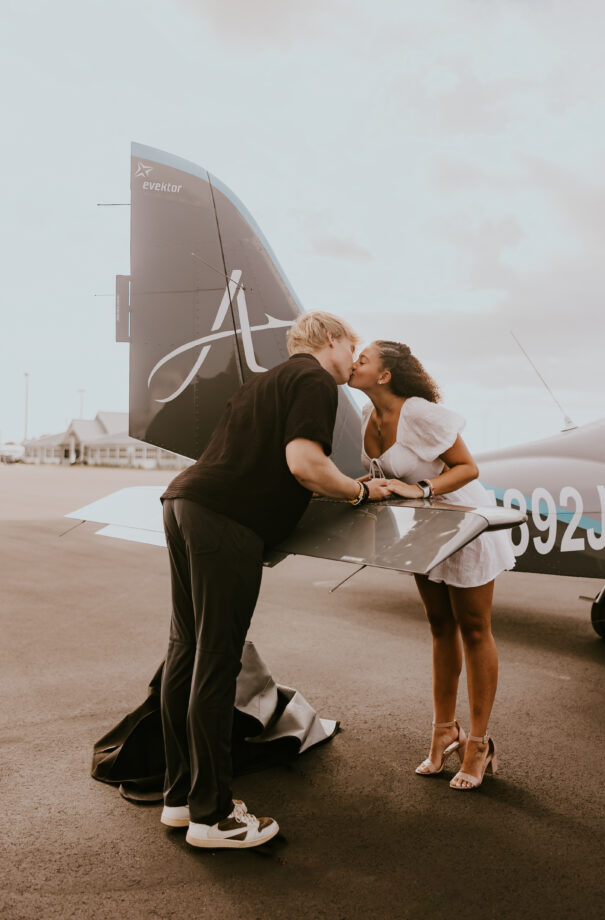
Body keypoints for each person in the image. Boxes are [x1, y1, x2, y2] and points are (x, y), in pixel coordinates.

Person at [159, 312, 391, 849]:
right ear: (330, 340)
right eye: (351, 348)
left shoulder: (262, 381)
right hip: (225, 521)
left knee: (185, 652)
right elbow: (305, 463)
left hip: (183, 503)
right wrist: (360, 493)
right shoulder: (314, 380)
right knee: (218, 660)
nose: (352, 360)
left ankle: (179, 799)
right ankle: (212, 817)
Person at [349, 340, 515, 790]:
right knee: (440, 626)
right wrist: (350, 487)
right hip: (422, 531)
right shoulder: (368, 416)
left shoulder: (420, 412)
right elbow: (387, 475)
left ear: (385, 375)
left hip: (463, 524)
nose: (352, 362)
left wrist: (420, 490)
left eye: (361, 359)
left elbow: (467, 468)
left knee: (475, 628)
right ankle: (445, 731)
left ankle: (478, 742)